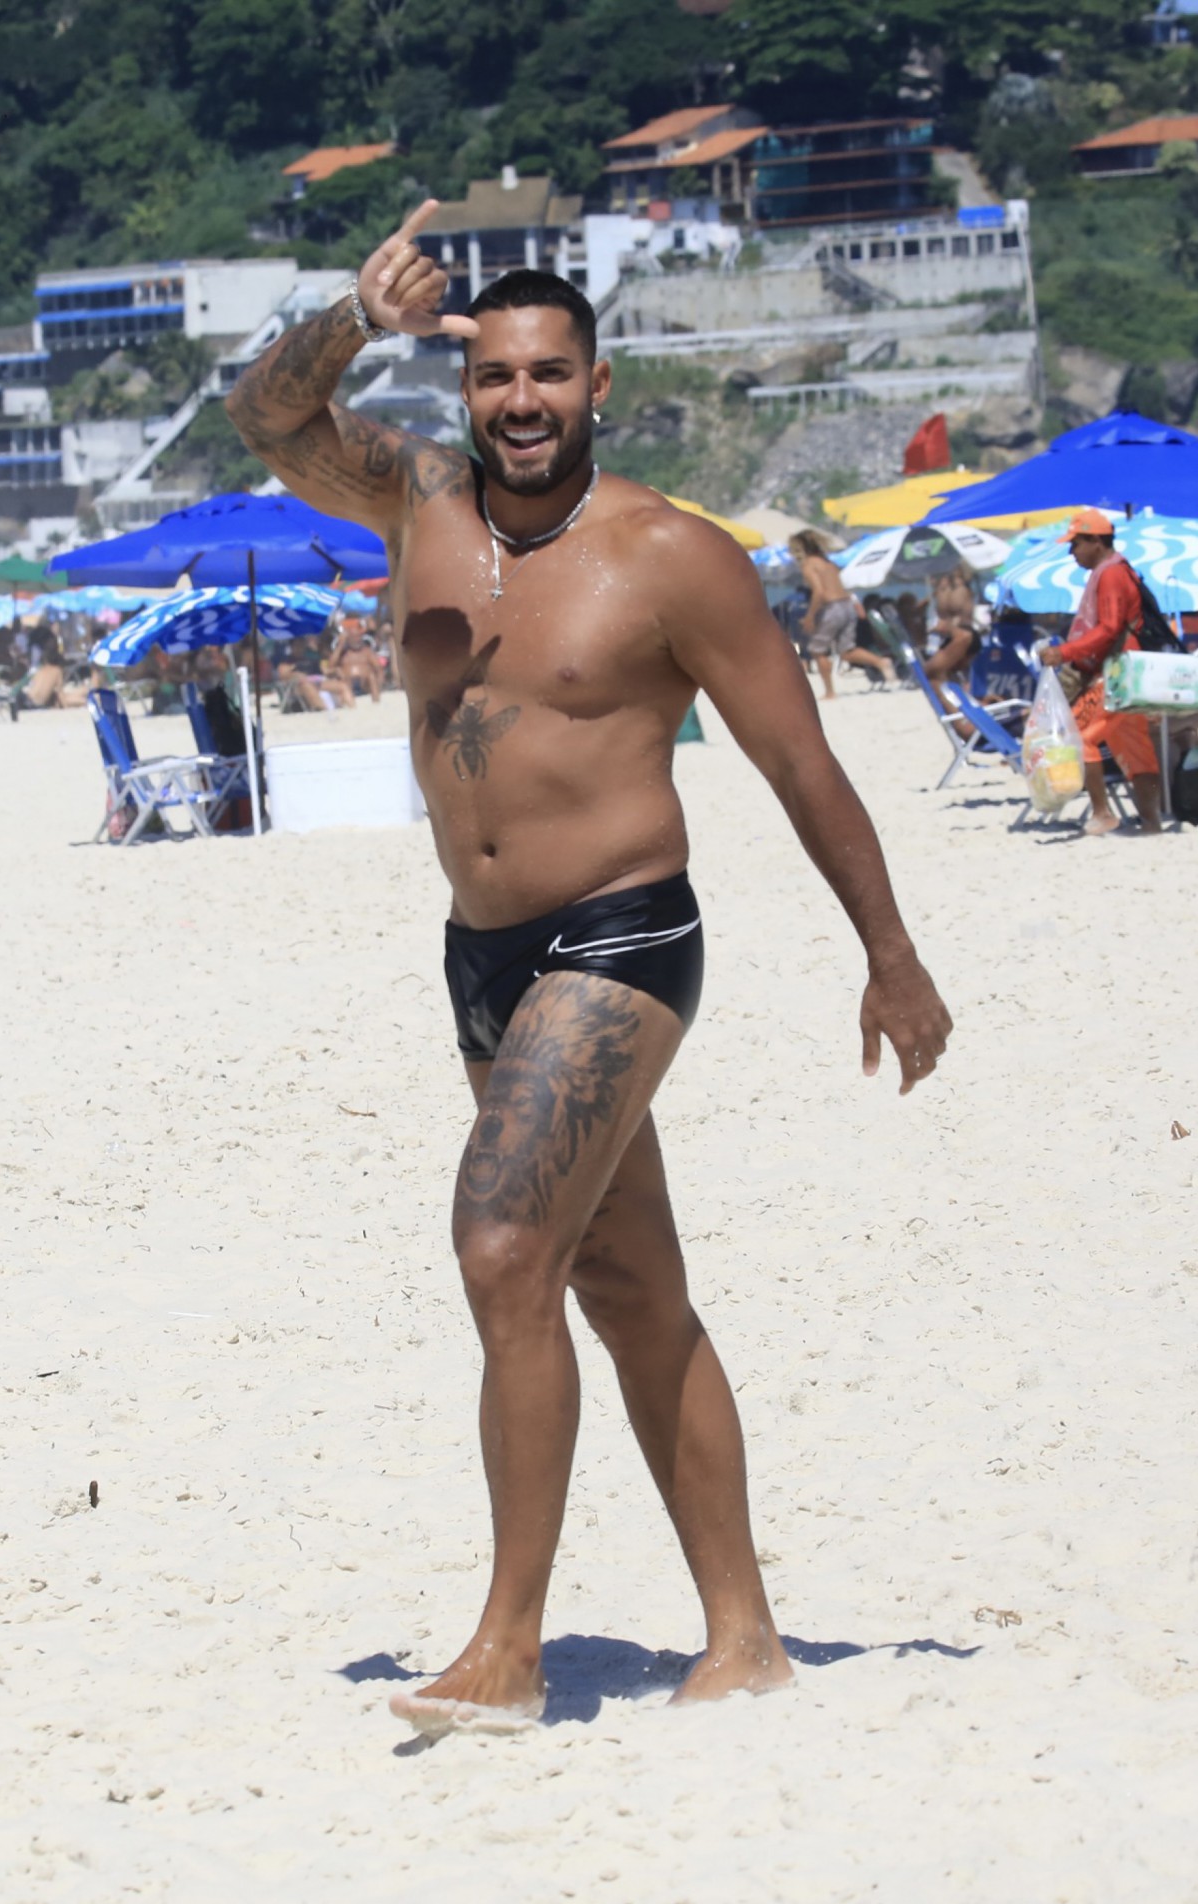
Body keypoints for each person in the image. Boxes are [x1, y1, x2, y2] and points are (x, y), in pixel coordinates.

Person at [227, 202, 952, 1733]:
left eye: (547, 373)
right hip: (478, 957)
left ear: (597, 382)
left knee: (502, 1250)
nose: (520, 403)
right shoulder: (413, 496)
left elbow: (799, 767)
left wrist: (890, 957)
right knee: (626, 1289)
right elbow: (265, 413)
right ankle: (744, 1634)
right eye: (492, 375)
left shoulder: (668, 556)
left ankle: (507, 1645)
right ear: (464, 386)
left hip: (622, 936)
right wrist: (358, 315)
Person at [1037, 509, 1161, 836]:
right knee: (1135, 749)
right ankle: (1151, 821)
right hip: (1130, 673)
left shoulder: (1111, 574)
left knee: (1078, 737)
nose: (1072, 552)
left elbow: (1109, 629)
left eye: (1076, 544)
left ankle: (1103, 813)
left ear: (1095, 540)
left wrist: (1064, 652)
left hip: (1119, 673)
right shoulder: (1120, 570)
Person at [790, 532, 894, 695]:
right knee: (847, 651)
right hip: (847, 604)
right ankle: (881, 662)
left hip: (833, 607)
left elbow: (819, 592)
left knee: (817, 649)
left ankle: (830, 692)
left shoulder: (809, 564)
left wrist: (810, 617)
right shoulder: (828, 563)